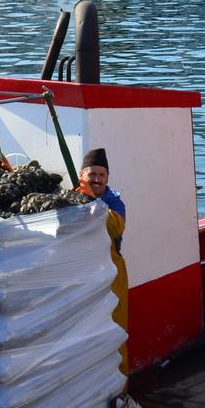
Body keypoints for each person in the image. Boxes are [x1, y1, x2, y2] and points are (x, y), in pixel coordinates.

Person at [76, 148, 129, 376]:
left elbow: (116, 227)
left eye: (101, 175)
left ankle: (120, 388)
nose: (96, 180)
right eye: (92, 175)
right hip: (81, 273)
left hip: (111, 274)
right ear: (81, 176)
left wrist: (92, 202)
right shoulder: (70, 198)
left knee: (115, 329)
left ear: (107, 178)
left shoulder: (114, 202)